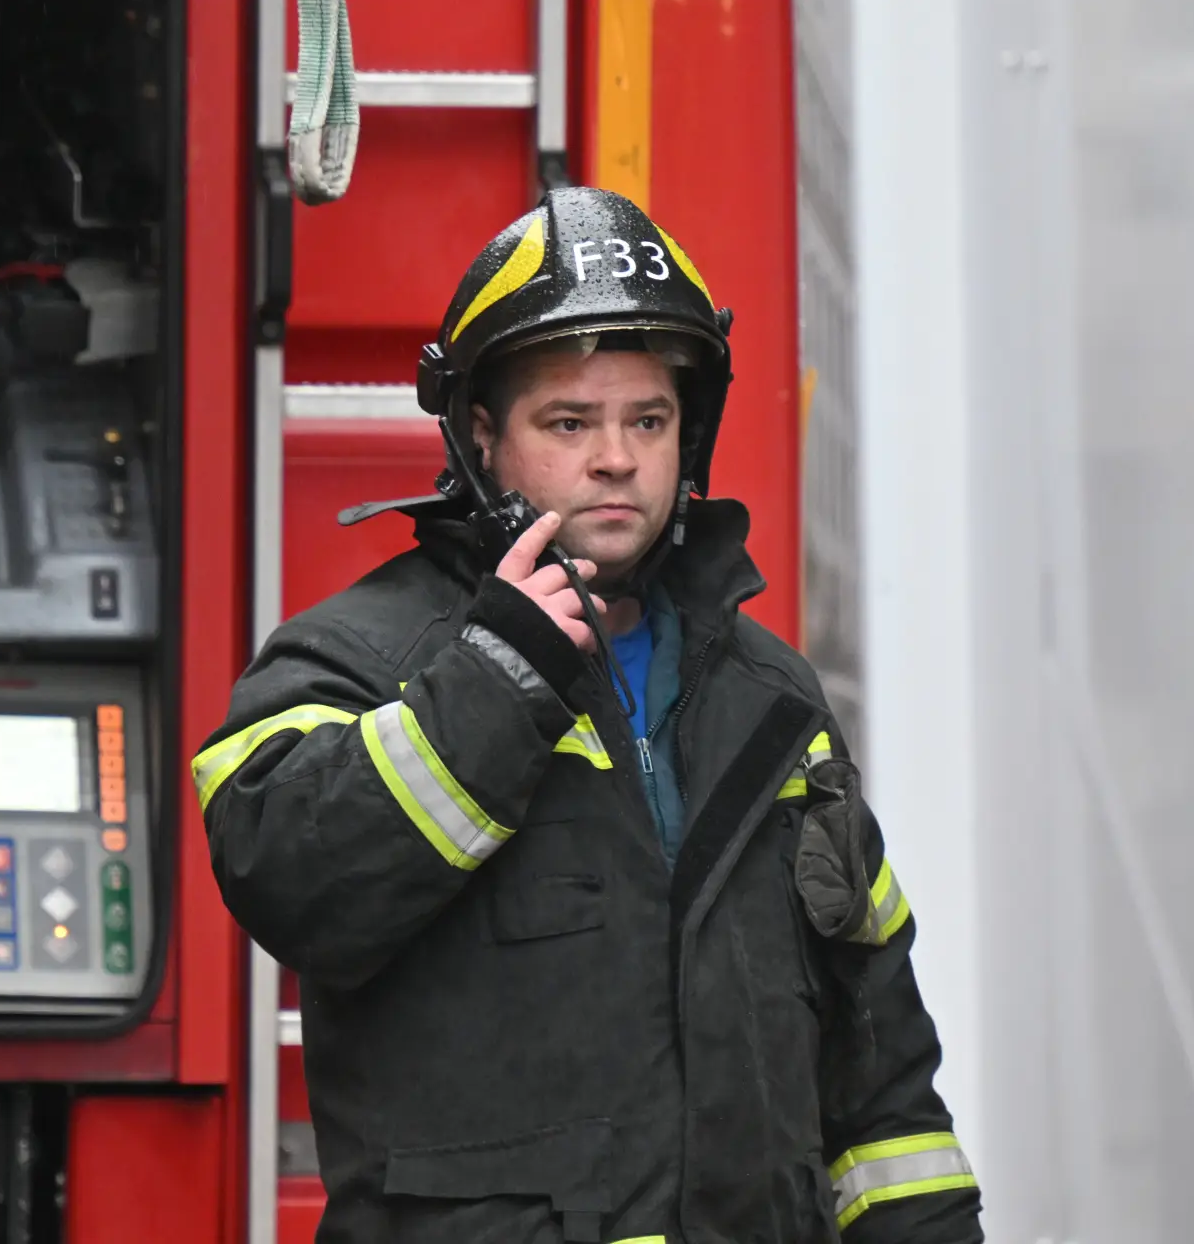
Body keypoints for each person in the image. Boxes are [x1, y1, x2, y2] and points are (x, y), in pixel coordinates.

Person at [195, 187, 982, 1243]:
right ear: (483, 436)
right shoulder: (360, 660)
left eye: (647, 420)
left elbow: (879, 1079)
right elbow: (293, 884)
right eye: (569, 422)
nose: (617, 458)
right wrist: (496, 679)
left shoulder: (772, 696)